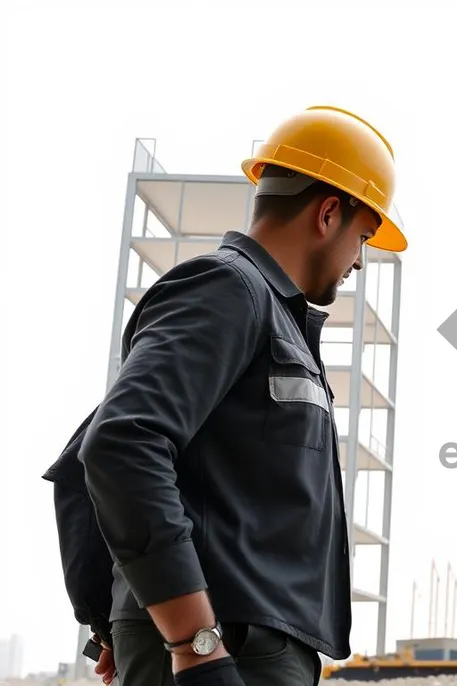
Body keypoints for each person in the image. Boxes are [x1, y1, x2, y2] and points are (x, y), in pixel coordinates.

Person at [76, 105, 408, 686]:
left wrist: (133, 612)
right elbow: (122, 444)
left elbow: (129, 452)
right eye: (364, 236)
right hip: (224, 649)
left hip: (239, 646)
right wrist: (190, 640)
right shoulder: (228, 289)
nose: (359, 259)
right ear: (329, 212)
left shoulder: (267, 314)